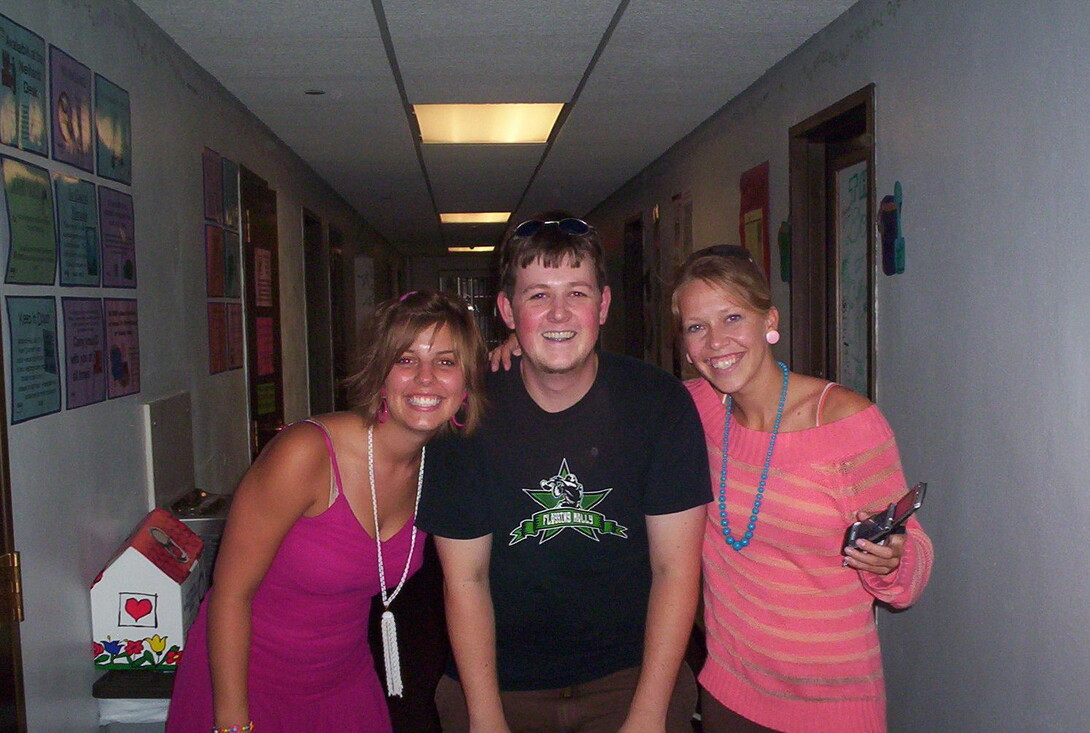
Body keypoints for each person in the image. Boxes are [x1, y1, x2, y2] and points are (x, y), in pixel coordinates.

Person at [417, 215, 711, 732]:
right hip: (495, 682)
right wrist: (486, 720)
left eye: (576, 293)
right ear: (507, 310)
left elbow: (676, 571)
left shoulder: (659, 404)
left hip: (632, 676)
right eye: (536, 296)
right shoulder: (467, 413)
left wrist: (647, 714)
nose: (559, 313)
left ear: (602, 304)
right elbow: (465, 578)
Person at [166, 290, 487, 733]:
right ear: (380, 373)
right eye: (406, 360)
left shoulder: (441, 467)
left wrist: (517, 352)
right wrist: (232, 722)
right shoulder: (308, 454)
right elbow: (230, 595)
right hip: (245, 685)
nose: (426, 378)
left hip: (343, 685)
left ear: (466, 382)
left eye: (447, 362)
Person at [672, 245, 933, 732]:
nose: (716, 342)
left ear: (769, 320)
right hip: (730, 693)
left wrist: (893, 561)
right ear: (685, 346)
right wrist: (520, 355)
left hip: (833, 707)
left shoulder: (847, 423)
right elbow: (601, 389)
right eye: (696, 327)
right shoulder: (694, 409)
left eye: (732, 317)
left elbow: (912, 558)